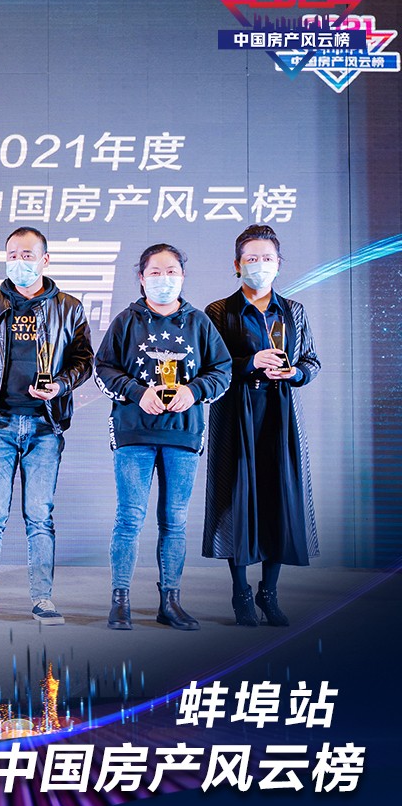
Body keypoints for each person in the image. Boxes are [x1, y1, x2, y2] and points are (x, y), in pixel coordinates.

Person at [0, 227, 94, 626]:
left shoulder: (69, 307)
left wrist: (60, 385)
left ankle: (43, 598)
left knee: (39, 516)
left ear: (45, 259)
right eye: (13, 255)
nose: (20, 261)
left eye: (28, 254)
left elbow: (84, 361)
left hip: (44, 426)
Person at [95, 243, 232, 630]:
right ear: (141, 278)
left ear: (183, 276)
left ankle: (170, 601)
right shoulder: (126, 321)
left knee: (174, 521)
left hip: (183, 435)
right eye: (155, 272)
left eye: (171, 271)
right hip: (134, 433)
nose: (163, 279)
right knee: (129, 518)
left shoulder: (199, 323)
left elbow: (222, 371)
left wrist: (194, 391)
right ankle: (120, 600)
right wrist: (138, 393)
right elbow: (103, 368)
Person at [204, 224, 320, 627]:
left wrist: (295, 373)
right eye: (251, 258)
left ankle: (268, 592)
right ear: (237, 265)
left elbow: (311, 362)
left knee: (278, 499)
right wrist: (251, 362)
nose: (259, 265)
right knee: (236, 502)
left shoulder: (293, 311)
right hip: (237, 415)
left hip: (280, 414)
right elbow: (211, 367)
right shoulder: (219, 311)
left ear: (279, 264)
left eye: (267, 258)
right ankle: (240, 592)